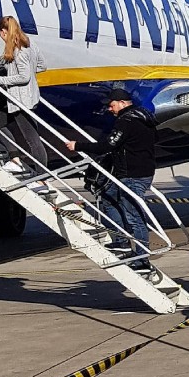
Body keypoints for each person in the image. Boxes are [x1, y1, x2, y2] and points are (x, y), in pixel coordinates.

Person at [67, 89, 158, 266]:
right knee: (108, 196)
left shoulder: (126, 121)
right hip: (144, 171)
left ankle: (141, 258)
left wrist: (78, 145)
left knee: (134, 217)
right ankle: (121, 240)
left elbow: (108, 145)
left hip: (132, 174)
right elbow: (155, 138)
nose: (110, 109)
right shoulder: (145, 117)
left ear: (123, 103)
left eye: (112, 105)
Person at [0, 16, 49, 182]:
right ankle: (15, 159)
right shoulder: (29, 44)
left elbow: (23, 77)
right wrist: (6, 66)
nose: (1, 37)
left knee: (32, 139)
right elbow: (42, 65)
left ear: (4, 31)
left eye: (0, 33)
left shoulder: (17, 50)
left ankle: (42, 177)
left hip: (20, 100)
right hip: (27, 97)